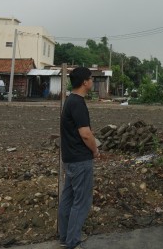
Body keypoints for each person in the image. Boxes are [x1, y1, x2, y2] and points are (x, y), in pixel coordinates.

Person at [58, 67, 100, 249]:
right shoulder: (78, 103)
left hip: (69, 159)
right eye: (91, 79)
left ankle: (65, 236)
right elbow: (85, 134)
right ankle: (73, 241)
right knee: (81, 201)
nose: (92, 81)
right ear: (84, 82)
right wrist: (95, 150)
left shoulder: (70, 101)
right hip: (80, 160)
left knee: (68, 198)